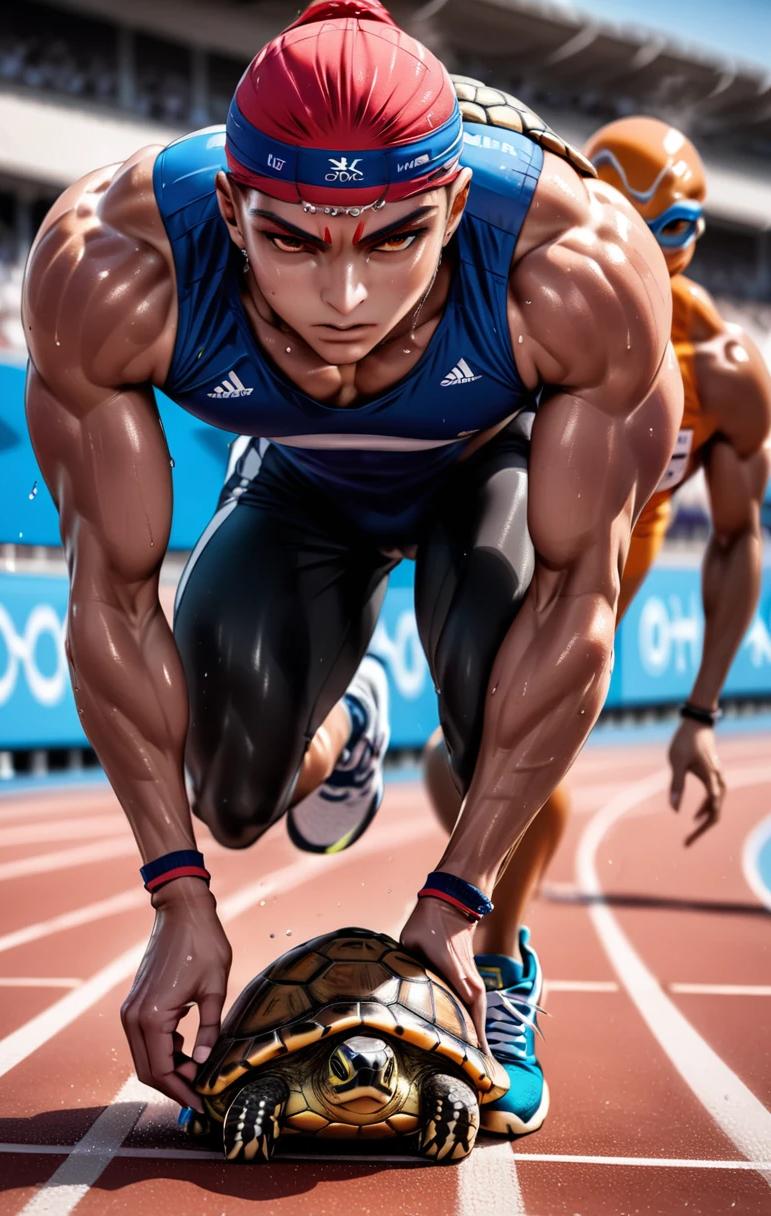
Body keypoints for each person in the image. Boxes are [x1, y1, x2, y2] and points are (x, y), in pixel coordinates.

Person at [22, 1, 680, 1119]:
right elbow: (111, 598)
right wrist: (176, 896)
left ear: (457, 203)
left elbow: (579, 603)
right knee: (226, 800)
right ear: (229, 210)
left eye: (393, 238)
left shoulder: (577, 268)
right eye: (292, 241)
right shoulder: (113, 263)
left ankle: (505, 964)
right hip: (302, 486)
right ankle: (351, 727)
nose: (345, 302)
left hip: (487, 475)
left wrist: (454, 903)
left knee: (495, 693)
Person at [424, 114, 771, 1134]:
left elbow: (736, 541)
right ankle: (483, 948)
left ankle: (497, 974)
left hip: (591, 588)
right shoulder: (527, 306)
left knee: (520, 779)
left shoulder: (726, 372)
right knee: (489, 762)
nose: (629, 249)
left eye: (661, 230)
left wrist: (701, 709)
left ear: (686, 241)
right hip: (491, 543)